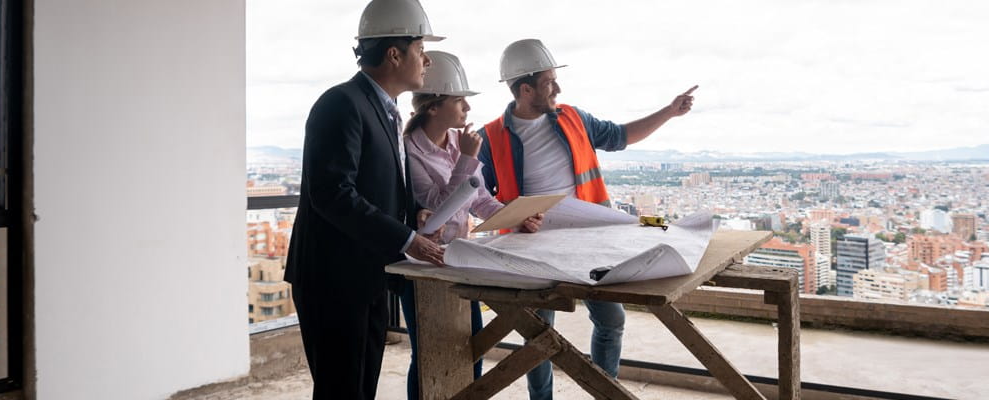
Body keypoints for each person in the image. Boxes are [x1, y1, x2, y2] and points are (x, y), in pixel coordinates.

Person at [475, 38, 697, 400]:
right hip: (532, 248)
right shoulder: (491, 136)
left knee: (612, 320)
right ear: (525, 88)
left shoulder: (574, 118)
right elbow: (478, 195)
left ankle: (603, 391)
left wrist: (669, 111)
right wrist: (512, 220)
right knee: (538, 334)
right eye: (549, 82)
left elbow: (622, 135)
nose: (557, 88)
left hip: (590, 239)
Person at [283, 0, 444, 397]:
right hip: (332, 280)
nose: (427, 61)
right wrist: (407, 240)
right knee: (342, 390)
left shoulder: (385, 110)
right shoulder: (342, 103)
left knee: (359, 388)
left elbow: (375, 185)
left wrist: (411, 215)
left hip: (366, 275)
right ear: (394, 53)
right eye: (421, 50)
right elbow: (332, 193)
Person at [394, 50, 543, 399]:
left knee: (470, 347)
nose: (467, 109)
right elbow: (437, 204)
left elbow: (478, 199)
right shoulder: (410, 152)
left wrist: (515, 216)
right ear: (434, 107)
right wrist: (466, 159)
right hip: (423, 264)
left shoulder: (456, 144)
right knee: (429, 354)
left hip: (458, 258)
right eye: (460, 101)